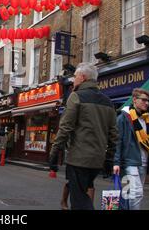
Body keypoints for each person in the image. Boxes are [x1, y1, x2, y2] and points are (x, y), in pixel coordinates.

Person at [49, 62, 118, 210]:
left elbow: (65, 128)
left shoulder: (76, 96)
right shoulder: (108, 102)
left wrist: (54, 153)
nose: (73, 80)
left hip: (79, 159)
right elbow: (113, 134)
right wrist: (109, 158)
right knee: (83, 193)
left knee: (79, 200)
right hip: (97, 160)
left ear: (83, 77)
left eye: (75, 77)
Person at [113, 88, 149, 210]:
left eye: (148, 100)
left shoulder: (148, 119)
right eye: (144, 100)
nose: (147, 103)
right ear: (134, 100)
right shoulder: (124, 118)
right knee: (136, 193)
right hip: (129, 162)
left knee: (126, 193)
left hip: (144, 163)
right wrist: (116, 162)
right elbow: (117, 141)